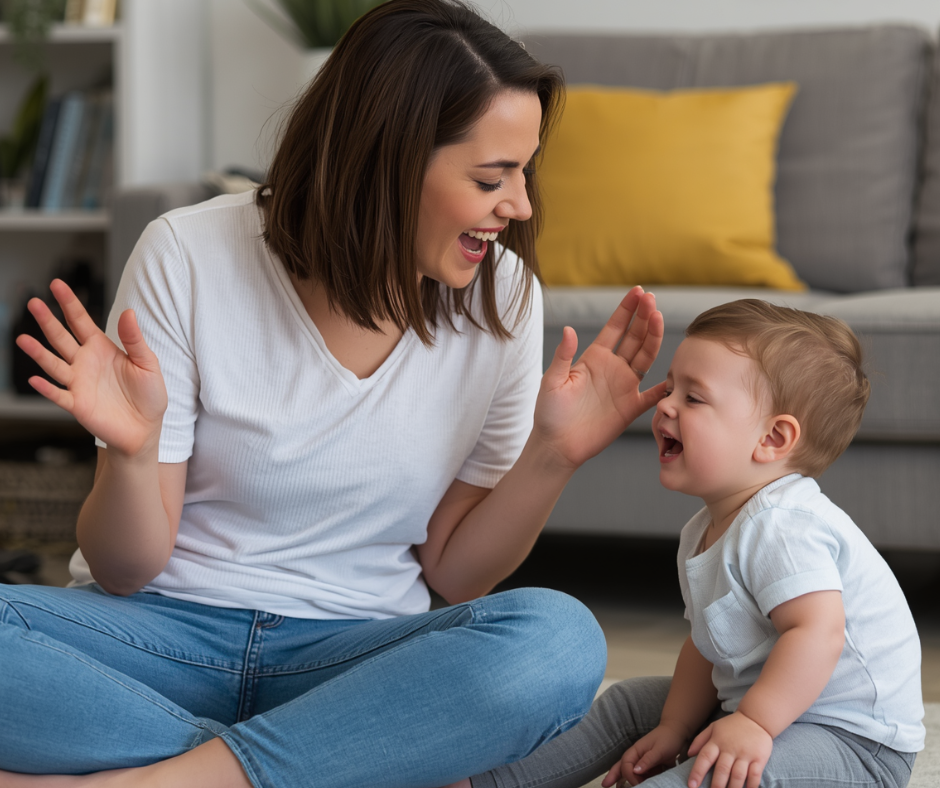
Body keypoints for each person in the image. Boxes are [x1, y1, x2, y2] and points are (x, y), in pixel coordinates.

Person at [1, 2, 669, 787]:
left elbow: (453, 574)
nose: (519, 205)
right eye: (492, 177)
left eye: (522, 173)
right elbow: (125, 571)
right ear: (386, 160)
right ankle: (341, 760)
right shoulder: (189, 252)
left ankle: (164, 780)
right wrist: (133, 452)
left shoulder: (503, 298)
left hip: (353, 656)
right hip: (153, 641)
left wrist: (552, 455)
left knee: (558, 639)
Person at [470, 299, 926, 788]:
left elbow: (817, 634)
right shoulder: (702, 530)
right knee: (632, 704)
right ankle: (489, 782)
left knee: (718, 777)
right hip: (763, 712)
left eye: (694, 398)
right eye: (671, 387)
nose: (665, 404)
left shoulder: (784, 525)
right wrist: (676, 727)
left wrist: (753, 723)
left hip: (854, 744)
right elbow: (707, 645)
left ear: (772, 438)